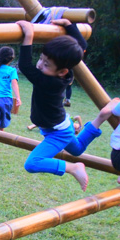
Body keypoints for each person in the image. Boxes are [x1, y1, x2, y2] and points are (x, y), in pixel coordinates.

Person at [17, 19, 103, 191]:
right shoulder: (64, 73)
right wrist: (69, 25)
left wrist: (29, 35)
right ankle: (101, 118)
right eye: (40, 59)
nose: (39, 65)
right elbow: (81, 46)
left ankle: (73, 168)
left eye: (46, 64)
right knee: (77, 150)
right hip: (62, 125)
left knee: (32, 163)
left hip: (57, 132)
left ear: (62, 71)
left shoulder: (48, 82)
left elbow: (24, 66)